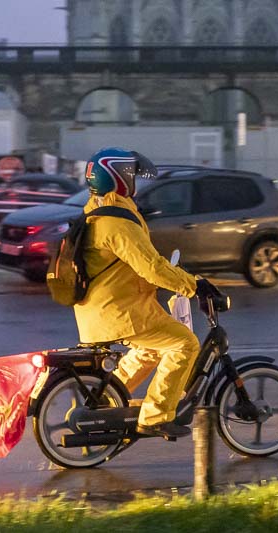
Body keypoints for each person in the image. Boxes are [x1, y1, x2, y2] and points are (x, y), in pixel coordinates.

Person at [75, 147, 216, 439]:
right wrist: (194, 285)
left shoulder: (98, 213)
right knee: (184, 345)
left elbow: (141, 264)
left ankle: (108, 400)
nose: (135, 183)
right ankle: (155, 416)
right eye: (131, 176)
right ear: (118, 180)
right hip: (121, 310)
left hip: (105, 308)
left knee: (151, 348)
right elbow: (151, 267)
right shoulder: (117, 223)